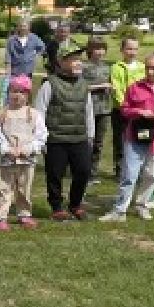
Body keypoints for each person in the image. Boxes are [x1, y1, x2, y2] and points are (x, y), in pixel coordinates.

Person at [104, 53, 154, 222]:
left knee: (152, 174)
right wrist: (139, 112)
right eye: (148, 67)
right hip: (135, 136)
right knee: (129, 174)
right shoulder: (135, 87)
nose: (150, 71)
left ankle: (142, 204)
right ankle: (119, 210)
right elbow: (124, 108)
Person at [34, 47, 95, 220]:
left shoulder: (84, 85)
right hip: (55, 139)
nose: (78, 63)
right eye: (74, 59)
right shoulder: (49, 84)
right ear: (61, 62)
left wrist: (90, 135)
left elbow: (88, 111)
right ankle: (57, 207)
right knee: (55, 174)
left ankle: (75, 204)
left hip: (79, 138)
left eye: (79, 60)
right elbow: (40, 112)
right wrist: (41, 139)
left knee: (83, 171)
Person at [0, 75, 45, 230]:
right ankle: (0, 216)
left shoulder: (33, 114)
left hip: (27, 159)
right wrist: (7, 149)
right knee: (4, 188)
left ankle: (24, 214)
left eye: (21, 92)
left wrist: (27, 149)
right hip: (7, 159)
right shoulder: (3, 113)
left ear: (28, 94)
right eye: (13, 91)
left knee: (24, 188)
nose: (16, 95)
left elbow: (41, 135)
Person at [106, 36, 147, 176]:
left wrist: (140, 107)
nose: (132, 52)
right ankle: (120, 169)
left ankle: (140, 169)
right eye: (129, 48)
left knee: (141, 138)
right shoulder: (116, 67)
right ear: (122, 50)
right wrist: (125, 106)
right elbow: (116, 88)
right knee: (121, 141)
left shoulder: (143, 67)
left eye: (135, 49)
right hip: (121, 111)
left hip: (140, 112)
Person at [83, 38, 114, 171]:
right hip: (88, 108)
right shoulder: (84, 67)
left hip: (105, 109)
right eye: (96, 49)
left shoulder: (108, 67)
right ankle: (82, 167)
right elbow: (80, 87)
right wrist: (100, 86)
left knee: (99, 142)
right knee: (87, 140)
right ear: (90, 50)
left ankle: (93, 169)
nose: (100, 52)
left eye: (102, 49)